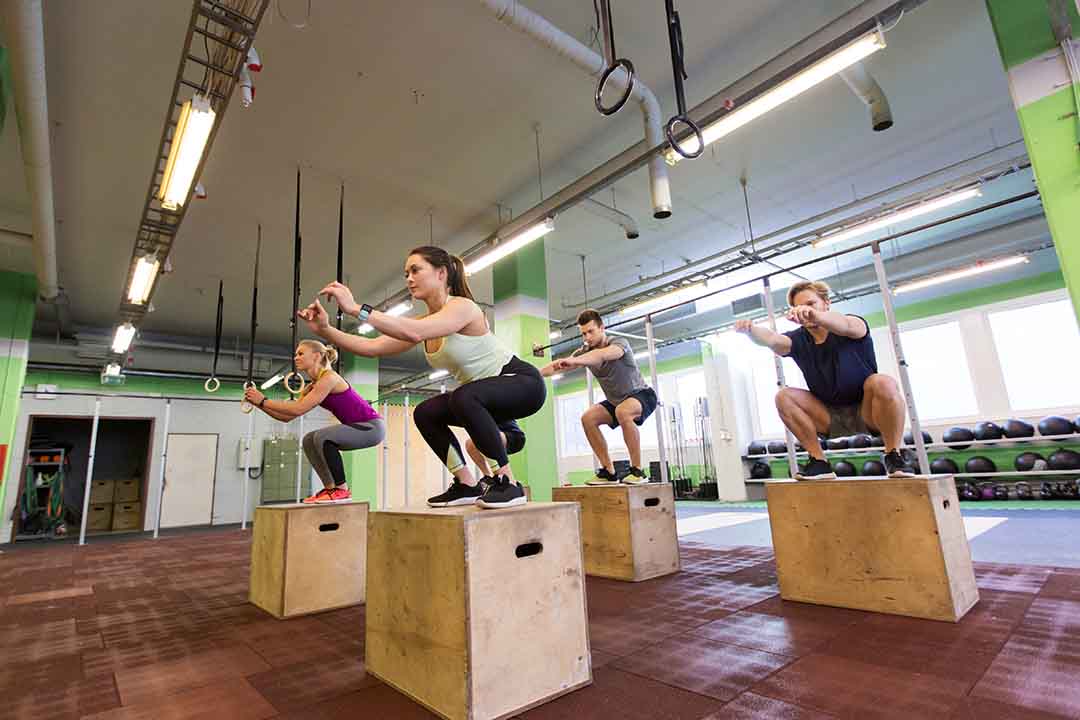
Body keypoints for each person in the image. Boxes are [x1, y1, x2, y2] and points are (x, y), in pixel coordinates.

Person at [300, 246, 546, 509]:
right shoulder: (425, 322)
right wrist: (325, 330)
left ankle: (508, 483)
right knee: (426, 412)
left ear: (441, 273)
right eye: (406, 273)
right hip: (485, 400)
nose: (408, 278)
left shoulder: (462, 307)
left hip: (522, 383)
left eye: (416, 270)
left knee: (464, 395)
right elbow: (371, 347)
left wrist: (355, 309)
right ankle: (466, 483)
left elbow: (415, 332)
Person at [735, 279, 914, 480]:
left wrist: (817, 316)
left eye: (810, 304)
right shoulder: (797, 340)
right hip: (828, 417)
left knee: (883, 382)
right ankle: (819, 462)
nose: (804, 310)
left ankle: (894, 455)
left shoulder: (853, 323)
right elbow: (772, 339)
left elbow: (845, 325)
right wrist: (751, 330)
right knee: (784, 396)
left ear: (826, 303)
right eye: (798, 307)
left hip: (869, 412)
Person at [244, 340, 385, 503]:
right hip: (358, 427)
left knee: (322, 437)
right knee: (309, 440)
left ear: (317, 356)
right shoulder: (313, 386)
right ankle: (330, 488)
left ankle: (342, 490)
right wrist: (259, 404)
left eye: (301, 353)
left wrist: (263, 400)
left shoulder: (330, 377)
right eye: (296, 354)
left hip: (371, 427)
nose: (295, 357)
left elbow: (297, 408)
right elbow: (287, 416)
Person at [541, 309, 657, 485]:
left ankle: (638, 471)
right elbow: (558, 366)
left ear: (602, 328)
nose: (587, 337)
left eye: (590, 331)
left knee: (623, 411)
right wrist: (532, 375)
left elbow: (601, 355)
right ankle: (609, 472)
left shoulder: (618, 343)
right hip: (616, 402)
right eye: (583, 333)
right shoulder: (584, 352)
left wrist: (575, 360)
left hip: (641, 395)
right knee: (588, 418)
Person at [464, 420, 526, 486]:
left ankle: (508, 481)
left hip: (513, 435)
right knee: (469, 444)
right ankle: (488, 478)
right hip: (494, 435)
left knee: (486, 437)